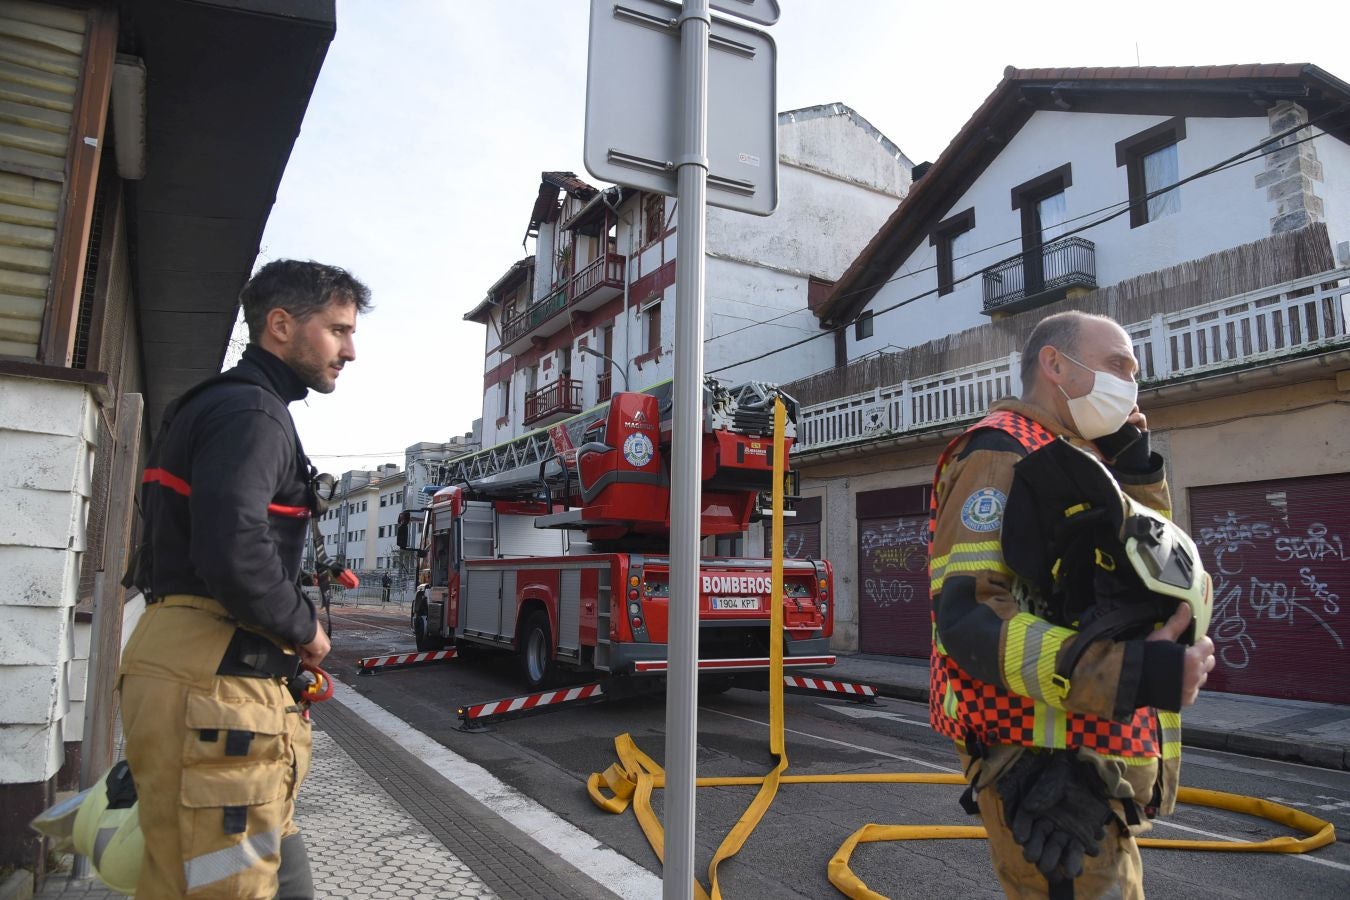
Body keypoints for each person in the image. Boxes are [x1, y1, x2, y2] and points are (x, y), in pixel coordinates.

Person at [928, 310, 1216, 899]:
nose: (1131, 384)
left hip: (1091, 769)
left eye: (1134, 372)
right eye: (1116, 366)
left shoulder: (1076, 459)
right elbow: (971, 617)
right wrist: (1135, 672)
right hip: (1048, 780)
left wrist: (1133, 469)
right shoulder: (1002, 454)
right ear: (1054, 364)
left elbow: (1141, 580)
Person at [119, 259, 370, 899]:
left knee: (266, 872)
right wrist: (305, 629)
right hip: (216, 678)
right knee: (221, 887)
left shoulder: (224, 407)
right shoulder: (252, 414)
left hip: (200, 667)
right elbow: (234, 546)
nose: (350, 350)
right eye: (337, 330)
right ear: (280, 326)